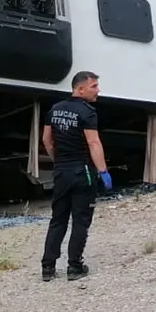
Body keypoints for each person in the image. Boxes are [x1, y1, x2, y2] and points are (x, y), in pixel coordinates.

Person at [40, 71, 112, 282]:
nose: (98, 90)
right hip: (83, 172)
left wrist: (58, 161)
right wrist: (103, 171)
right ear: (80, 89)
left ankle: (47, 267)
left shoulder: (54, 110)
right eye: (94, 86)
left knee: (58, 219)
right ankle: (75, 266)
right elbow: (93, 143)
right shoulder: (87, 112)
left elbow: (47, 140)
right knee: (80, 220)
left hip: (61, 172)